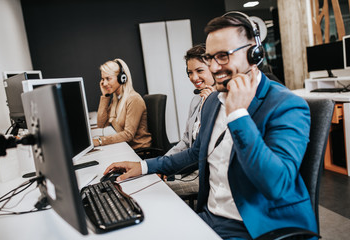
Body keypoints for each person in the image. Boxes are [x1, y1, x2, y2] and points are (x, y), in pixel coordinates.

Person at [103, 12, 317, 240]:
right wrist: (144, 167)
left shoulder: (287, 105)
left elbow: (276, 185)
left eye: (223, 56)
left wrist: (238, 116)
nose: (214, 67)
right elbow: (196, 152)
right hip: (210, 216)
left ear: (254, 54)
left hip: (257, 227)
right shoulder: (213, 101)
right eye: (210, 57)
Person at [164, 44, 215, 200]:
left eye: (199, 71)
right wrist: (163, 164)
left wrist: (210, 106)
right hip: (190, 169)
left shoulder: (224, 102)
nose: (193, 78)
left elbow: (209, 147)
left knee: (161, 193)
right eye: (189, 73)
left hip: (209, 176)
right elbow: (186, 141)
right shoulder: (195, 101)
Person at [94, 58, 152, 150]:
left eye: (108, 78)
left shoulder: (133, 99)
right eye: (103, 79)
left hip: (139, 151)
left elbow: (128, 135)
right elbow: (101, 124)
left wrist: (100, 141)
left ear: (122, 78)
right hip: (126, 147)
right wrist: (105, 96)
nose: (104, 83)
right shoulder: (116, 100)